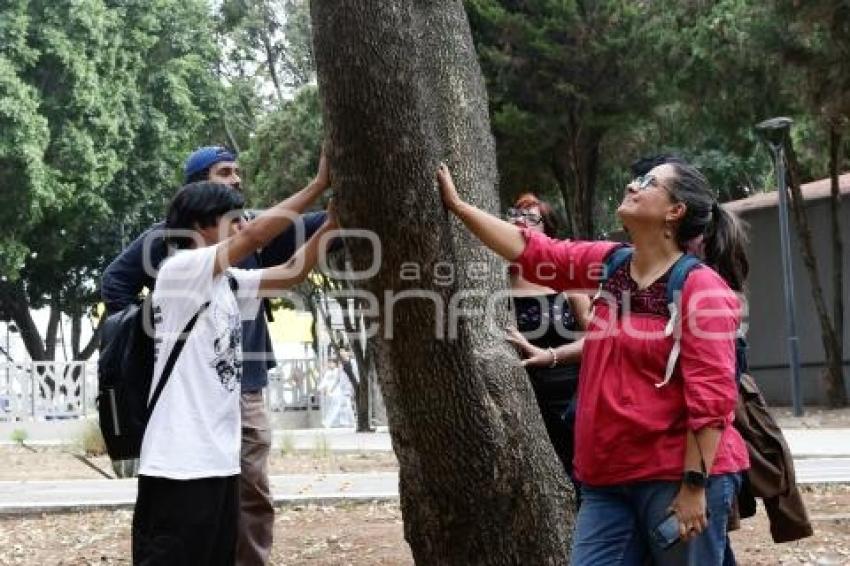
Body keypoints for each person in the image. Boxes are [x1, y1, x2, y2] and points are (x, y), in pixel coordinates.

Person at [437, 158, 749, 565]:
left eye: (648, 182)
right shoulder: (611, 264)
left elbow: (711, 400)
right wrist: (459, 207)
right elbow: (535, 250)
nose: (633, 186)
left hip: (673, 476)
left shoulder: (701, 288)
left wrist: (694, 486)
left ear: (675, 211)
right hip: (605, 478)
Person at [102, 146, 326, 564]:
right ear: (199, 227)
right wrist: (318, 184)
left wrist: (336, 220)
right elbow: (255, 238)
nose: (245, 226)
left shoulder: (228, 282)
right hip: (178, 463)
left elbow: (291, 272)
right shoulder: (180, 270)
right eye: (234, 220)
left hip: (219, 462)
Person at [501, 193, 590, 483]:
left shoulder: (565, 276)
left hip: (569, 392)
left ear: (547, 232)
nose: (520, 221)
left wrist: (551, 356)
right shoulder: (496, 277)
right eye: (515, 214)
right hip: (522, 392)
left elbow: (597, 339)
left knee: (574, 468)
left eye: (531, 218)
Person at [318, 356, 355, 428]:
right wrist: (330, 389)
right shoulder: (335, 372)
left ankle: (346, 422)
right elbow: (335, 380)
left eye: (332, 363)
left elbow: (346, 381)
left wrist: (351, 389)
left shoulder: (344, 370)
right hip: (339, 392)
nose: (330, 364)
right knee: (341, 407)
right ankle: (334, 422)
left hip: (343, 391)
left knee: (344, 407)